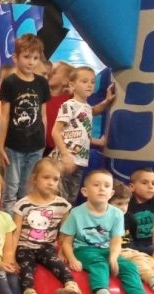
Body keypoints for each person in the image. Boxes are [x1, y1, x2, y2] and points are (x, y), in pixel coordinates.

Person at [60, 169, 154, 294]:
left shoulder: (117, 214)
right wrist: (72, 259)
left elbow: (116, 240)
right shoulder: (76, 213)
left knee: (129, 266)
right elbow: (66, 241)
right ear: (85, 191)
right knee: (100, 264)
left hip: (107, 249)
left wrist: (114, 257)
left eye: (107, 186)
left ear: (111, 193)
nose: (102, 189)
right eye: (96, 185)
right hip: (84, 249)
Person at [12, 158, 79, 294]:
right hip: (24, 246)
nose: (51, 183)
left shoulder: (62, 205)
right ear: (35, 179)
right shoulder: (23, 204)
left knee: (57, 264)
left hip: (46, 247)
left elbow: (65, 232)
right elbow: (15, 233)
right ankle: (29, 291)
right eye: (46, 177)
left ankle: (70, 284)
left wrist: (62, 251)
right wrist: (11, 257)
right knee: (26, 266)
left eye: (55, 179)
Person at [0, 34, 51, 211]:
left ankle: (21, 223)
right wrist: (1, 144)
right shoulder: (10, 83)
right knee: (11, 188)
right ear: (16, 57)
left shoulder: (42, 83)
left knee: (26, 189)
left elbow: (43, 115)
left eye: (35, 58)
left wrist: (43, 142)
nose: (31, 62)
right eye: (26, 57)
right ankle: (8, 224)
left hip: (36, 145)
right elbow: (5, 116)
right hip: (14, 146)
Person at [49, 66, 114, 201]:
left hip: (80, 160)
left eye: (92, 82)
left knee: (71, 197)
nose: (89, 85)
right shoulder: (69, 105)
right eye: (84, 81)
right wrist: (65, 155)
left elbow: (92, 113)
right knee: (59, 196)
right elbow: (56, 131)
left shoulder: (86, 107)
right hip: (65, 159)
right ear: (72, 85)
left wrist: (107, 101)